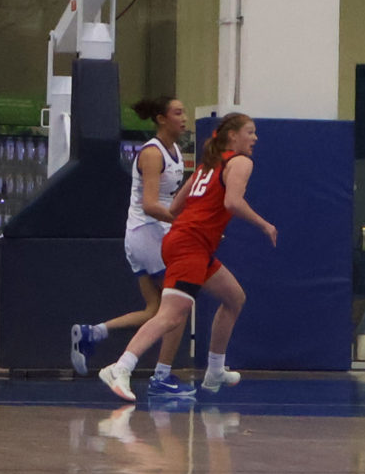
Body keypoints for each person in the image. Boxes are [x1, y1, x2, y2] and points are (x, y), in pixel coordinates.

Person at [98, 112, 276, 402]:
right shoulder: (240, 162)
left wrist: (199, 223)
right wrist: (264, 224)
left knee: (234, 298)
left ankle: (215, 370)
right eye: (250, 132)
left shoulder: (207, 165)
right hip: (190, 245)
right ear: (233, 136)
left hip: (185, 241)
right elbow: (232, 202)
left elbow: (177, 205)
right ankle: (121, 368)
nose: (255, 138)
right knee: (170, 315)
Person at [73, 96, 193, 395]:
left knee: (156, 309)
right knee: (180, 304)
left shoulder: (176, 150)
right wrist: (183, 224)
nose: (185, 118)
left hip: (150, 234)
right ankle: (161, 376)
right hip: (148, 232)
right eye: (178, 113)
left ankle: (93, 332)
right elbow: (151, 204)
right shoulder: (152, 154)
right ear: (162, 118)